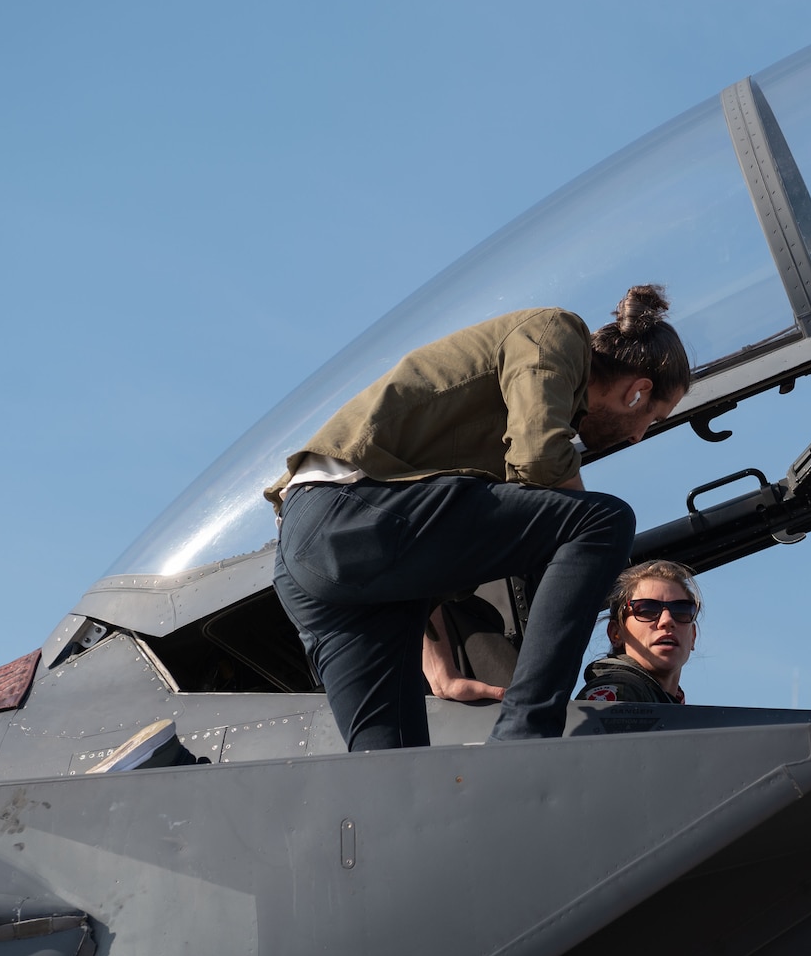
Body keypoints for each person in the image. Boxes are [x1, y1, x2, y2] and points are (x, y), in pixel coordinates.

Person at [269, 288, 690, 750]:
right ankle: (523, 737)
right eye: (652, 419)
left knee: (393, 768)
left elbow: (415, 555)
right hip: (348, 513)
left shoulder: (487, 437)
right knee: (605, 521)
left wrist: (441, 668)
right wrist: (596, 538)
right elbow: (538, 457)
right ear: (637, 392)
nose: (636, 438)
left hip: (313, 557)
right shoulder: (555, 331)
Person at [576, 560, 702, 705]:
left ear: (693, 636)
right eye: (647, 610)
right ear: (616, 633)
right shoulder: (620, 691)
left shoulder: (672, 708)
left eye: (681, 611)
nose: (667, 621)